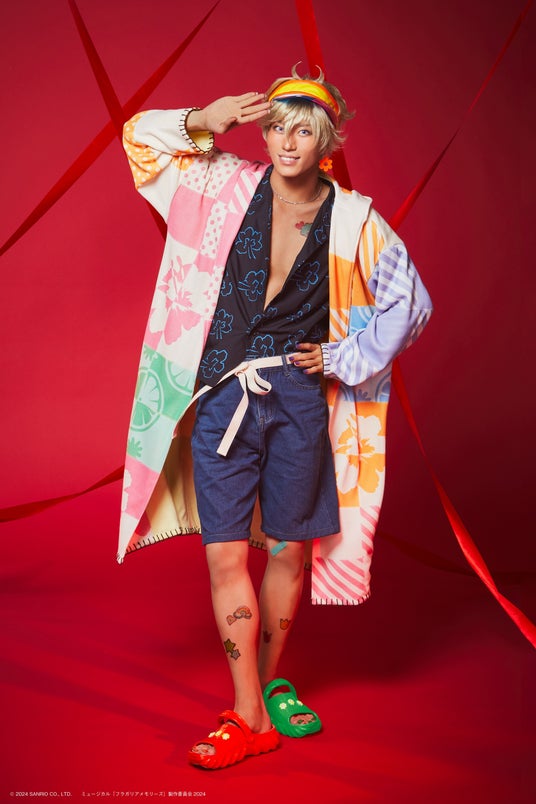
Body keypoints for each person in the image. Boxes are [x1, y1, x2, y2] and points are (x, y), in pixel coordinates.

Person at [118, 67, 433, 770]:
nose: (287, 142)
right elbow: (138, 138)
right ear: (261, 133)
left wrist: (346, 355)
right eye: (277, 127)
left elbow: (410, 303)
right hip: (222, 394)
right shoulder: (221, 184)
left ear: (327, 142)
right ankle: (247, 713)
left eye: (303, 131)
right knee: (224, 553)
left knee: (289, 551)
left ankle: (260, 689)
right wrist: (205, 117)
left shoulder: (354, 220)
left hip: (297, 400)